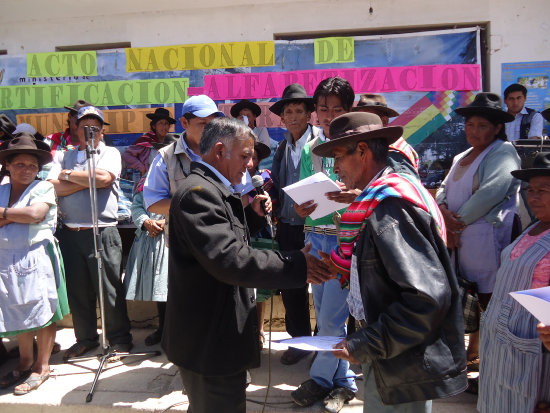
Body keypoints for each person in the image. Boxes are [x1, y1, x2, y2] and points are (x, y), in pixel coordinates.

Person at [162, 117, 333, 413]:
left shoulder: (214, 189)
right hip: (208, 341)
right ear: (219, 151)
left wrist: (252, 216)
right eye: (244, 155)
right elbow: (231, 259)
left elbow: (228, 240)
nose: (250, 164)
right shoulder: (197, 195)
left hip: (218, 335)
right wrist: (296, 264)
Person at [314, 112, 467, 412]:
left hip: (401, 357)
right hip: (390, 351)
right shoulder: (378, 200)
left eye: (338, 157)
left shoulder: (392, 208)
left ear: (362, 150)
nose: (336, 170)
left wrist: (366, 343)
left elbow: (427, 299)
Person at [436, 92, 521, 367]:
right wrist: (444, 213)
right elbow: (443, 189)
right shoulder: (462, 156)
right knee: (467, 294)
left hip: (486, 238)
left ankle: (492, 358)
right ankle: (473, 351)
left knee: (489, 297)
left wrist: (456, 223)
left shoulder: (503, 152)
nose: (473, 131)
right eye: (470, 125)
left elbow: (491, 192)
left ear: (497, 128)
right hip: (459, 239)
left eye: (482, 126)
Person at [291, 77, 357, 413]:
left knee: (332, 319)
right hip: (315, 238)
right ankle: (344, 383)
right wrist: (302, 208)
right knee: (327, 317)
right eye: (323, 109)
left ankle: (319, 379)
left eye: (337, 109)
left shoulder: (360, 147)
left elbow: (371, 195)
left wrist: (353, 197)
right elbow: (305, 195)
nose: (328, 115)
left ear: (350, 110)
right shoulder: (308, 148)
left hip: (345, 241)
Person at [47, 106, 133, 360]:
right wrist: (86, 181)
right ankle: (85, 338)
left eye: (95, 126)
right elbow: (53, 187)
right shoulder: (62, 156)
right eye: (84, 126)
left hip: (102, 231)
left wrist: (70, 177)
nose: (89, 131)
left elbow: (105, 178)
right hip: (70, 233)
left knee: (109, 289)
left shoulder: (110, 152)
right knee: (78, 290)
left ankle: (119, 339)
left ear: (103, 130)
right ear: (75, 129)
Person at [477, 151, 550, 412]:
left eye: (544, 190)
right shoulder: (533, 228)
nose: (534, 196)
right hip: (503, 346)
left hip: (534, 350)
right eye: (531, 189)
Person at [0, 133, 69, 394]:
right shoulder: (1, 190)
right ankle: (25, 361)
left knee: (43, 307)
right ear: (7, 165)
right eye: (20, 164)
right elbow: (25, 215)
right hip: (6, 258)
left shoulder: (43, 188)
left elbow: (35, 214)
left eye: (32, 165)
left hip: (36, 256)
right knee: (17, 308)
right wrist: (16, 216)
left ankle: (42, 366)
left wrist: (5, 215)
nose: (27, 170)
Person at [270, 83, 319, 365]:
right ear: (282, 118)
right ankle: (299, 342)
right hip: (288, 226)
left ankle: (323, 344)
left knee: (323, 285)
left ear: (309, 114)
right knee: (291, 286)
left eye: (299, 110)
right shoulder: (281, 147)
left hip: (314, 226)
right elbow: (276, 184)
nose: (293, 116)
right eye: (288, 111)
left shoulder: (320, 144)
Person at [123, 136, 176, 346]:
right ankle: (163, 330)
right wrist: (145, 221)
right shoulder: (145, 181)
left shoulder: (179, 179)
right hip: (152, 242)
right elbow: (136, 206)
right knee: (160, 290)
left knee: (176, 289)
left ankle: (177, 333)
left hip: (173, 241)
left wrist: (165, 222)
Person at [143, 95, 224, 218]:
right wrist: (191, 206)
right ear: (185, 122)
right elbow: (153, 202)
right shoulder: (166, 157)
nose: (210, 129)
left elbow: (243, 195)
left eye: (212, 124)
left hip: (223, 234)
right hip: (183, 235)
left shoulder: (225, 152)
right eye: (203, 123)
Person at [352, 93, 419, 177]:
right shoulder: (379, 146)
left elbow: (402, 188)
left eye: (368, 119)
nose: (361, 125)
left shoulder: (393, 153)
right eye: (359, 119)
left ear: (384, 121)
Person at [122, 107, 176, 177]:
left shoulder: (171, 142)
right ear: (154, 126)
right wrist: (141, 167)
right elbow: (127, 155)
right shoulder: (146, 140)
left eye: (166, 124)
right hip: (148, 178)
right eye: (161, 123)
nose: (164, 127)